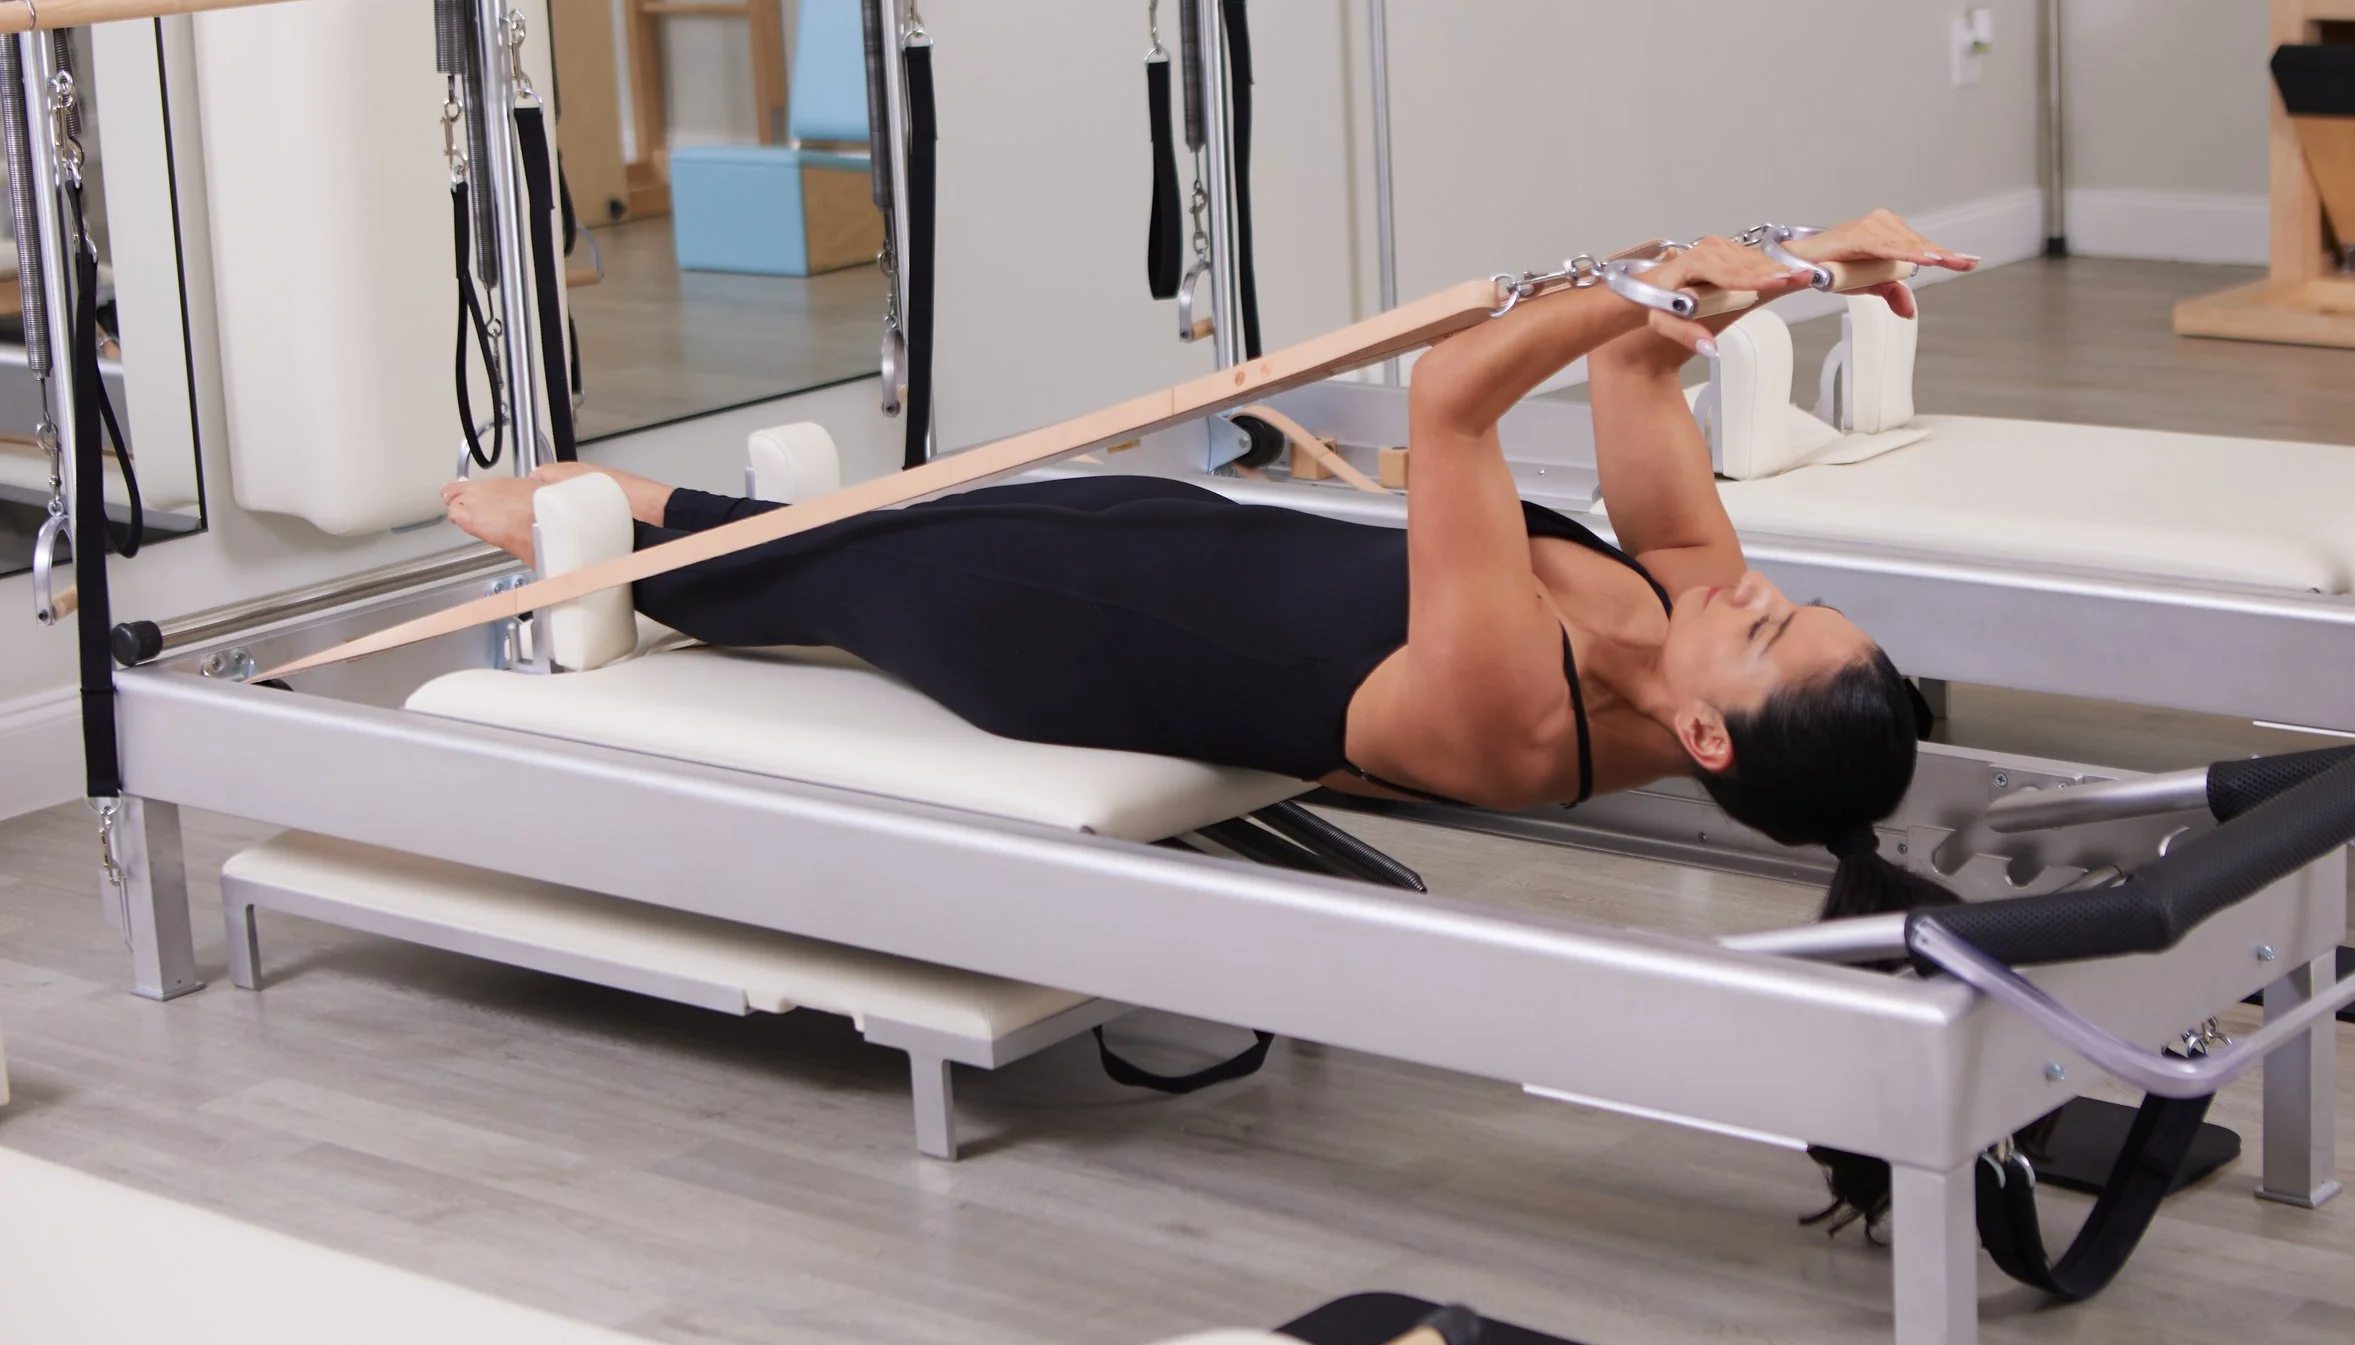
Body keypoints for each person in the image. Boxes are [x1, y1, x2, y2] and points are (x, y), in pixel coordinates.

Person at [444, 211, 1975, 914]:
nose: (1757, 591)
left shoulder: (1517, 721)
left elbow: (1456, 399)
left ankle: (567, 536)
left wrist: (1662, 274)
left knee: (826, 567)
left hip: (1071, 641)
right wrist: (1807, 262)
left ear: (1708, 736)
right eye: (1797, 602)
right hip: (1188, 544)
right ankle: (637, 519)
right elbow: (1643, 369)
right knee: (877, 530)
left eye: (1770, 634)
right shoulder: (1679, 597)